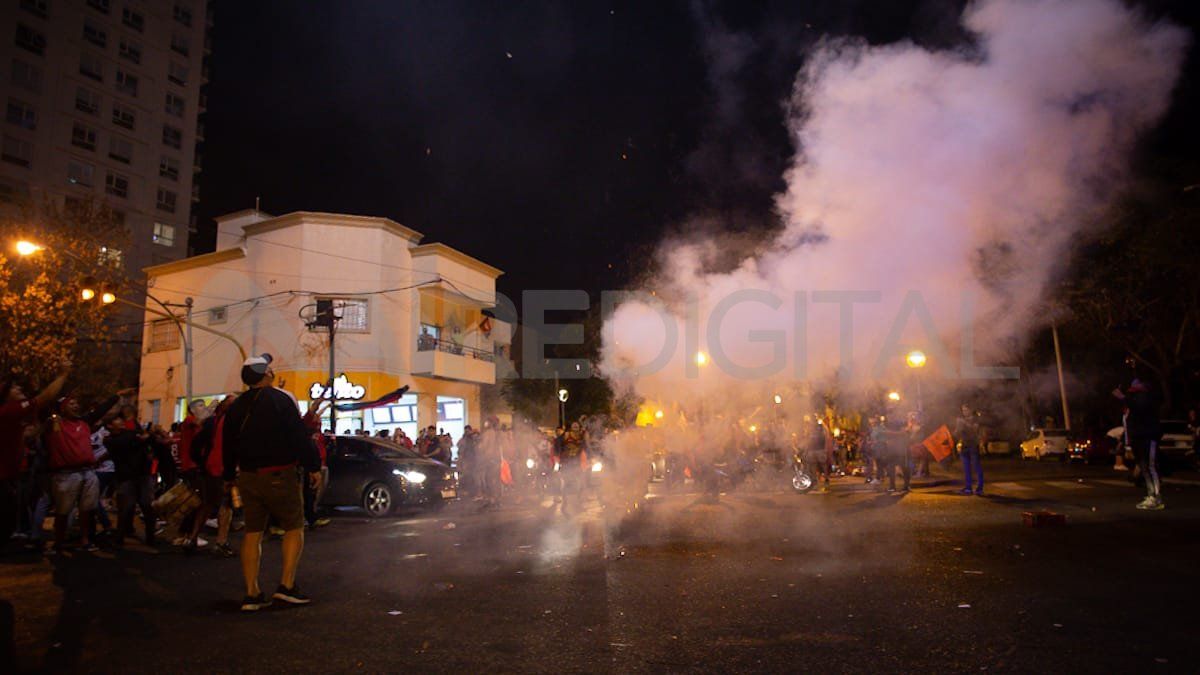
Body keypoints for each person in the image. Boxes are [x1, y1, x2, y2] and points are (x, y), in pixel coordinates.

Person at [222, 354, 322, 611]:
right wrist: (313, 466)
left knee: (252, 532)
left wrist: (227, 476)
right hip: (279, 473)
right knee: (293, 526)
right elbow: (298, 436)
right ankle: (286, 586)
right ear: (265, 374)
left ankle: (252, 593)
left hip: (247, 476)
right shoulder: (280, 399)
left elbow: (228, 445)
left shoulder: (235, 407)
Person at [44, 391, 120, 553]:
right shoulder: (55, 424)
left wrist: (115, 397)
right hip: (66, 474)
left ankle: (85, 540)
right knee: (63, 510)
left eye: (76, 403)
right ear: (62, 409)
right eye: (71, 404)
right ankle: (58, 541)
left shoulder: (84, 422)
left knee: (87, 509)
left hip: (88, 471)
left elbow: (101, 411)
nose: (76, 406)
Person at [1, 366, 69, 541]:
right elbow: (44, 398)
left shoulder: (9, 415)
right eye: (15, 388)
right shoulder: (10, 409)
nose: (20, 389)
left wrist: (44, 426)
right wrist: (63, 374)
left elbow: (26, 435)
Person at [104, 416, 157, 548]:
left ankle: (150, 537)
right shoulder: (110, 440)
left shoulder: (128, 434)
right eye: (117, 420)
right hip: (126, 477)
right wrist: (144, 436)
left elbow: (148, 439)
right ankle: (120, 537)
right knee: (126, 509)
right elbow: (129, 441)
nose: (121, 422)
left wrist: (146, 437)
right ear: (109, 425)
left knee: (147, 506)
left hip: (143, 475)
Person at [1114, 379, 1163, 510]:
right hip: (1138, 438)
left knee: (1150, 467)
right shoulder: (1132, 401)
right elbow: (1129, 424)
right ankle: (1151, 495)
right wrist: (1127, 444)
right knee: (1144, 468)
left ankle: (1156, 498)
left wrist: (1124, 398)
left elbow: (1140, 407)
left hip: (1147, 437)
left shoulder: (1145, 398)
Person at [954, 404, 984, 495]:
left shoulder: (975, 419)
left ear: (971, 410)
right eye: (963, 410)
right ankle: (968, 488)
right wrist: (957, 429)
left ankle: (979, 489)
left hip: (973, 446)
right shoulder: (962, 420)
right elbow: (957, 433)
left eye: (966, 410)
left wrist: (964, 424)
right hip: (964, 445)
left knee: (976, 467)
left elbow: (974, 430)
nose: (964, 412)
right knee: (966, 468)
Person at [557, 421, 586, 514]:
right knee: (566, 483)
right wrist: (560, 456)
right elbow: (557, 446)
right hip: (566, 463)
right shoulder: (565, 435)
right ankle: (565, 503)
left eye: (577, 426)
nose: (575, 427)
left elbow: (586, 448)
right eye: (574, 426)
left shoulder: (582, 437)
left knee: (580, 483)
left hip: (577, 463)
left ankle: (578, 503)